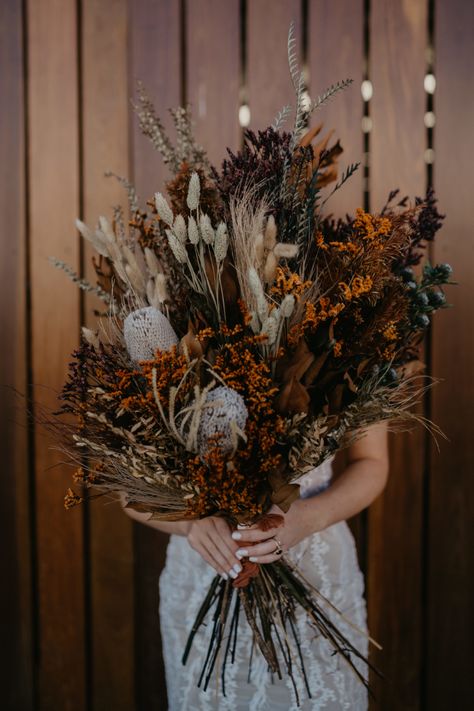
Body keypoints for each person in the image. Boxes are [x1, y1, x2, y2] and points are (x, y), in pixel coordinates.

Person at [121, 421, 389, 710]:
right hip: (205, 571)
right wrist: (188, 522)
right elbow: (127, 490)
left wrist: (307, 517)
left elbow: (371, 462)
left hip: (314, 573)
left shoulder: (356, 372)